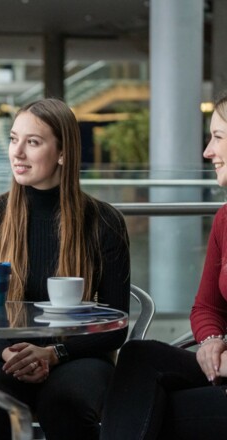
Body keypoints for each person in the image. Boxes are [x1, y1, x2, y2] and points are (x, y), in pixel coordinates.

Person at [0, 98, 130, 440]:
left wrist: (53, 354)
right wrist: (9, 353)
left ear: (63, 153)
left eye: (33, 142)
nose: (17, 152)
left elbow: (116, 326)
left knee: (64, 400)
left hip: (80, 357)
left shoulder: (103, 222)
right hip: (9, 355)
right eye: (14, 139)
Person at [99, 91, 227, 440]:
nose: (207, 152)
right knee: (138, 356)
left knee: (149, 411)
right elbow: (206, 307)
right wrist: (211, 341)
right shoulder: (224, 220)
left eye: (217, 137)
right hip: (222, 367)